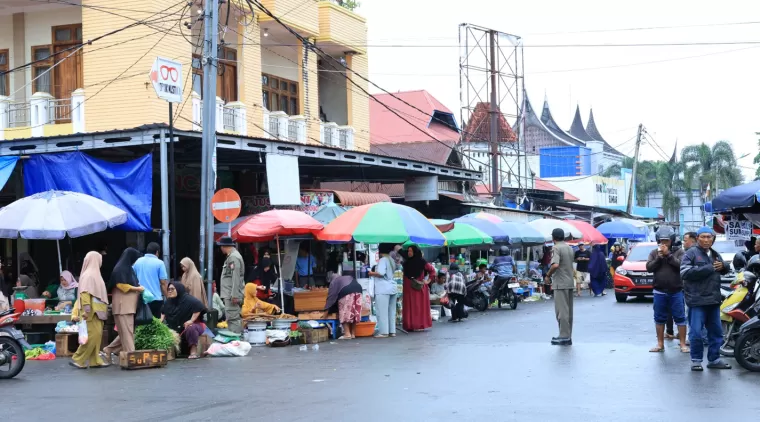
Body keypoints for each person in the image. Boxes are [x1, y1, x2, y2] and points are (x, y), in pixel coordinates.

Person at [680, 226, 732, 371]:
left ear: (713, 239)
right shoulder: (690, 253)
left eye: (709, 237)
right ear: (697, 238)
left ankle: (714, 360)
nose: (706, 240)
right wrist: (710, 268)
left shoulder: (715, 254)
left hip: (713, 300)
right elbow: (685, 273)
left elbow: (725, 269)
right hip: (696, 300)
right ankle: (696, 360)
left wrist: (724, 266)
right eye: (703, 237)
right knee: (696, 332)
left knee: (716, 333)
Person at [647, 226, 689, 354]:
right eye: (661, 241)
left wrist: (668, 256)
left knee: (680, 318)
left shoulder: (679, 252)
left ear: (671, 240)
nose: (664, 243)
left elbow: (681, 265)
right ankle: (660, 344)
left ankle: (682, 344)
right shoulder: (654, 253)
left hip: (676, 291)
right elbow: (649, 267)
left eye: (666, 241)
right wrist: (659, 258)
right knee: (659, 318)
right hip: (659, 291)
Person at [70, 251, 110, 369]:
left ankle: (95, 360)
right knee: (93, 336)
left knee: (97, 336)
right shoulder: (89, 275)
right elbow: (85, 293)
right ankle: (78, 359)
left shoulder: (94, 274)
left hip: (97, 312)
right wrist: (86, 310)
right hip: (91, 313)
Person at [102, 248, 144, 359]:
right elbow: (121, 285)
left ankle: (109, 349)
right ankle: (131, 356)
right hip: (123, 307)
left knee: (125, 333)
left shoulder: (126, 268)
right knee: (127, 333)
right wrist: (137, 288)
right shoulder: (121, 269)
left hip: (126, 306)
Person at [545, 228, 575, 346]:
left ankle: (563, 336)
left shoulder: (556, 248)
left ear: (554, 238)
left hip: (560, 282)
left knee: (561, 311)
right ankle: (568, 335)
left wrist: (548, 275)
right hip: (569, 281)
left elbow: (555, 264)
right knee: (569, 311)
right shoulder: (569, 248)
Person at [161, 283, 207, 359]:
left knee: (191, 327)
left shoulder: (188, 299)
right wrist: (160, 321)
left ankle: (193, 351)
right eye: (168, 289)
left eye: (172, 289)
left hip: (195, 326)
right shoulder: (169, 301)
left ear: (179, 290)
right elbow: (163, 311)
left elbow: (199, 307)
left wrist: (191, 320)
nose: (169, 291)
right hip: (178, 327)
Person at [402, 245, 435, 332]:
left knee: (417, 307)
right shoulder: (407, 262)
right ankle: (410, 325)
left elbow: (432, 270)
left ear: (415, 252)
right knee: (409, 307)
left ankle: (419, 325)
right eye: (408, 251)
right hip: (408, 288)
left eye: (411, 251)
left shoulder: (421, 261)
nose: (409, 253)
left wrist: (428, 281)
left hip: (417, 288)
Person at [368, 243, 398, 338]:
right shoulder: (392, 260)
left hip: (383, 288)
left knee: (382, 311)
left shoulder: (383, 260)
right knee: (391, 311)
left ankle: (384, 332)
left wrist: (371, 273)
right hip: (392, 287)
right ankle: (392, 331)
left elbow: (381, 273)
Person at [133, 242, 168, 317]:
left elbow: (132, 277)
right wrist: (168, 297)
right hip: (155, 299)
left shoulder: (138, 261)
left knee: (141, 323)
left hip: (141, 298)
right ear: (157, 252)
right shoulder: (160, 263)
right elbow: (163, 283)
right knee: (155, 324)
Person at [218, 236, 244, 334]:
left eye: (221, 246)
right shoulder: (232, 256)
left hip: (231, 294)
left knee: (233, 319)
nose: (221, 248)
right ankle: (235, 341)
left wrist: (234, 295)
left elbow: (235, 277)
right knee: (232, 318)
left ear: (225, 246)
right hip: (230, 293)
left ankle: (235, 341)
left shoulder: (233, 257)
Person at [324, 275, 363, 339]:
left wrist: (325, 312)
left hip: (346, 291)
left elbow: (330, 297)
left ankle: (347, 334)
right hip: (358, 289)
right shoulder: (344, 278)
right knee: (354, 312)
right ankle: (353, 334)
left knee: (344, 312)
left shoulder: (333, 282)